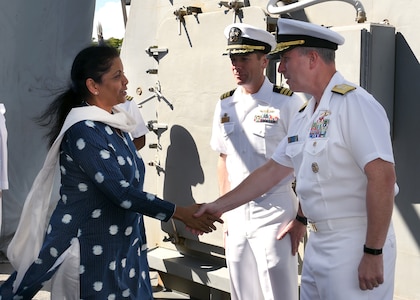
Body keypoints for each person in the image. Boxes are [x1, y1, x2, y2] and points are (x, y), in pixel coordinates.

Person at [195, 18, 397, 300]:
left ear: (312, 58)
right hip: (319, 242)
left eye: (286, 59)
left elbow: (383, 178)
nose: (280, 68)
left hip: (354, 242)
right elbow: (272, 171)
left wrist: (373, 251)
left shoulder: (355, 104)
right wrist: (218, 206)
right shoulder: (305, 115)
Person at [0, 45, 221, 299]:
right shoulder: (84, 130)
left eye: (123, 73)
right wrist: (179, 213)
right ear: (94, 86)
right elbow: (121, 192)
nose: (126, 81)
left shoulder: (116, 123)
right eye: (117, 76)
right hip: (88, 255)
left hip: (121, 250)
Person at [211, 23, 304, 300]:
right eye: (233, 59)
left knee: (278, 291)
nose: (236, 66)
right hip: (237, 214)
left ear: (264, 61)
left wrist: (301, 218)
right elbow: (223, 160)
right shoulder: (225, 105)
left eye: (244, 58)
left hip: (275, 211)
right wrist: (226, 214)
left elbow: (305, 163)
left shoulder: (287, 104)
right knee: (242, 291)